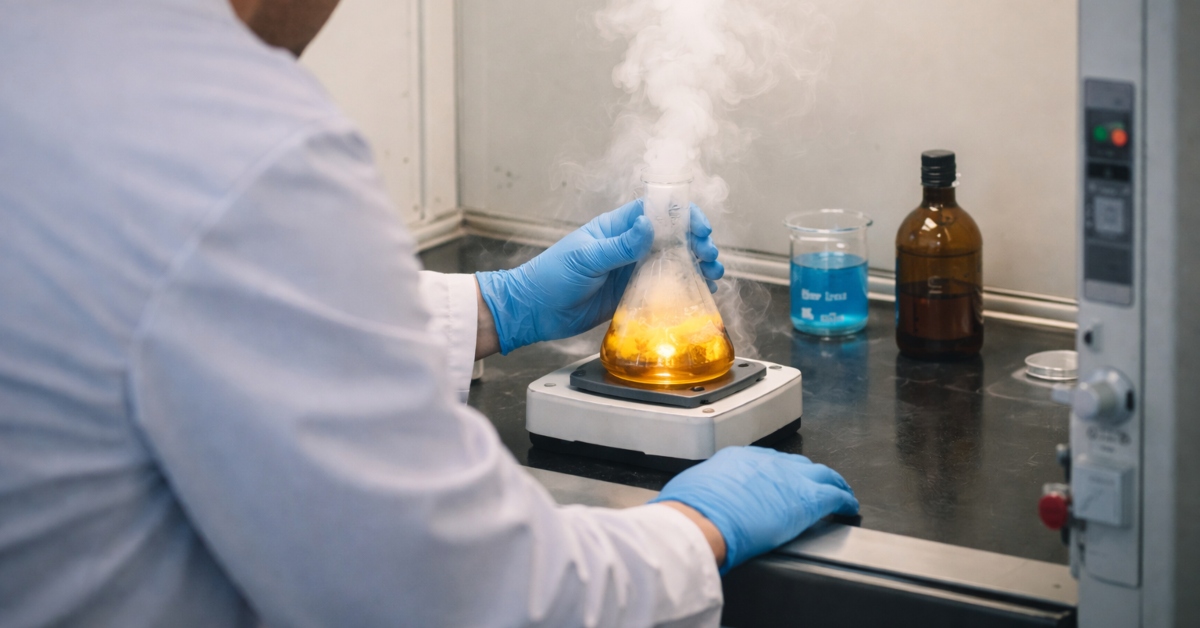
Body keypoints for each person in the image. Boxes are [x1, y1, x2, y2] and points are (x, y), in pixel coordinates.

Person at [0, 0, 859, 626]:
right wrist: (691, 529)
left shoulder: (43, 53)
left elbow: (175, 308)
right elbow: (453, 597)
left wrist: (496, 307)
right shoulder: (239, 139)